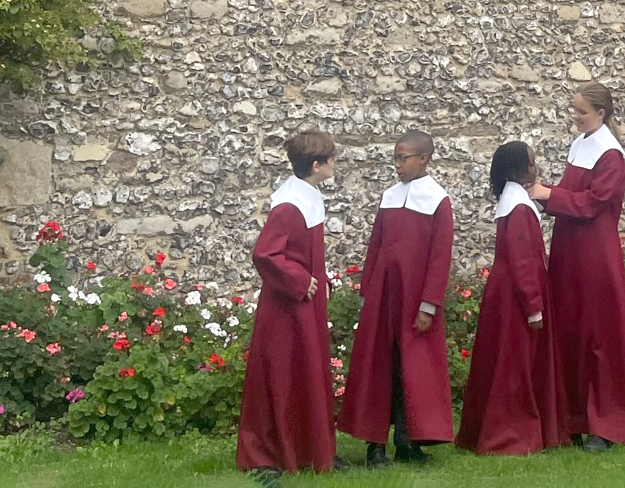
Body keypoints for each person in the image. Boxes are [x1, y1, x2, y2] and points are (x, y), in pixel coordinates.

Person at [528, 82, 625, 450]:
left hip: (595, 253)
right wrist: (539, 193)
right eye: (573, 109)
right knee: (574, 331)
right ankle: (576, 417)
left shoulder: (611, 155)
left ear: (601, 113)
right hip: (570, 249)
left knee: (599, 336)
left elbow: (595, 203)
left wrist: (549, 194)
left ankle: (606, 423)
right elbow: (570, 193)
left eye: (581, 111)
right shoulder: (580, 145)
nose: (575, 116)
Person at [338, 130, 455, 467]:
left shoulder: (437, 200)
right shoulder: (389, 197)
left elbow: (439, 257)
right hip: (384, 298)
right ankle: (374, 447)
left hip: (415, 300)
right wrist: (367, 293)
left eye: (403, 158)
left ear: (424, 159)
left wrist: (428, 304)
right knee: (379, 368)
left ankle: (408, 441)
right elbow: (376, 247)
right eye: (395, 157)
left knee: (412, 372)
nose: (397, 164)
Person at [236, 129, 339, 483]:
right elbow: (265, 253)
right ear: (316, 165)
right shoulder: (289, 205)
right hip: (286, 307)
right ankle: (269, 453)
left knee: (306, 372)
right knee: (281, 374)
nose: (334, 165)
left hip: (303, 304)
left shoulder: (305, 196)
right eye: (331, 160)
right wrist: (299, 279)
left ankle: (310, 450)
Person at [457, 142, 568, 456]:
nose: (537, 168)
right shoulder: (518, 208)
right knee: (515, 364)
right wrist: (533, 305)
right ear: (519, 169)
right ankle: (511, 432)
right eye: (532, 163)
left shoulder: (513, 202)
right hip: (515, 297)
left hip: (505, 292)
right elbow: (523, 261)